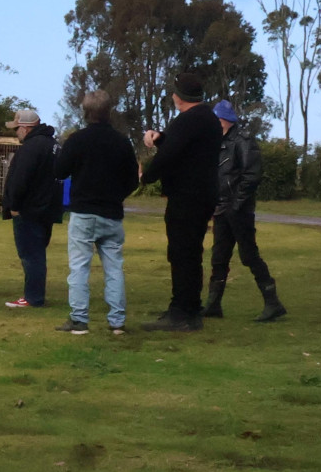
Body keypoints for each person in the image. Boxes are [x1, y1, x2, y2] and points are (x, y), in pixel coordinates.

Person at [138, 73, 223, 332]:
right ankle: (188, 306)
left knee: (181, 252)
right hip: (202, 194)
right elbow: (183, 146)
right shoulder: (207, 118)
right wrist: (161, 138)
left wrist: (146, 176)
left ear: (179, 97)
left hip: (187, 196)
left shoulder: (187, 120)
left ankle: (181, 313)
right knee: (190, 251)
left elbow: (171, 155)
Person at [52, 89, 138, 334]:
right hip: (111, 213)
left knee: (79, 267)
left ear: (85, 112)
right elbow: (133, 179)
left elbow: (59, 171)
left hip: (83, 212)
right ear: (109, 111)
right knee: (114, 268)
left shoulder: (77, 140)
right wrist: (116, 196)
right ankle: (117, 322)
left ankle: (79, 320)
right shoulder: (122, 142)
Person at [206, 99, 287, 322]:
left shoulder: (242, 141)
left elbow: (252, 175)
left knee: (249, 255)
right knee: (219, 257)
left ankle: (273, 302)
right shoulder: (217, 142)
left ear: (222, 120)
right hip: (222, 208)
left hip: (237, 209)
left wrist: (236, 204)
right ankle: (213, 305)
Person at [0, 107, 61, 308]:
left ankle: (33, 297)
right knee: (38, 253)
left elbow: (20, 179)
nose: (16, 132)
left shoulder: (30, 148)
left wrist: (13, 205)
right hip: (47, 209)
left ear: (25, 128)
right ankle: (35, 295)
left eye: (17, 128)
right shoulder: (53, 146)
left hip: (29, 209)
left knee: (30, 255)